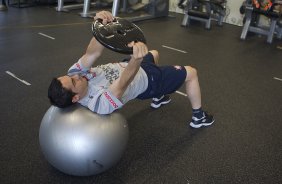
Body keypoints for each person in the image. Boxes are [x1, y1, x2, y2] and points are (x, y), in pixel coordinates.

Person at [48, 11, 215, 128]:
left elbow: (92, 53)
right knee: (191, 72)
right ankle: (198, 117)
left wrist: (100, 26)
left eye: (70, 76)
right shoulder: (98, 103)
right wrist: (136, 59)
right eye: (73, 81)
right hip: (147, 80)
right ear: (76, 97)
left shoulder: (74, 74)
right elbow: (123, 82)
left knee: (154, 53)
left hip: (127, 66)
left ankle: (159, 98)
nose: (76, 76)